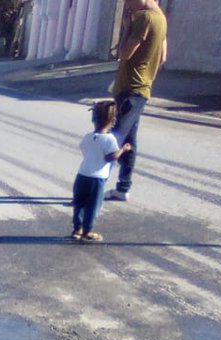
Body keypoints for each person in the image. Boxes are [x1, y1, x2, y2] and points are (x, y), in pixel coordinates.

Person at [106, 0, 167, 202]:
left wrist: (126, 29)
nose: (127, 5)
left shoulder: (144, 18)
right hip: (141, 88)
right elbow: (163, 57)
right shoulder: (161, 18)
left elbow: (124, 54)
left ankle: (93, 188)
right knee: (129, 140)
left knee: (113, 139)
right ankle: (122, 188)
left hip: (130, 89)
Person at [70, 101, 132, 242]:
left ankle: (77, 229)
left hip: (82, 175)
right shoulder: (110, 139)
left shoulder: (87, 137)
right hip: (97, 179)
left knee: (79, 204)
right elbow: (111, 157)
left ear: (93, 119)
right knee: (93, 205)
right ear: (113, 121)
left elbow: (84, 149)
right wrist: (123, 149)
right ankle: (88, 231)